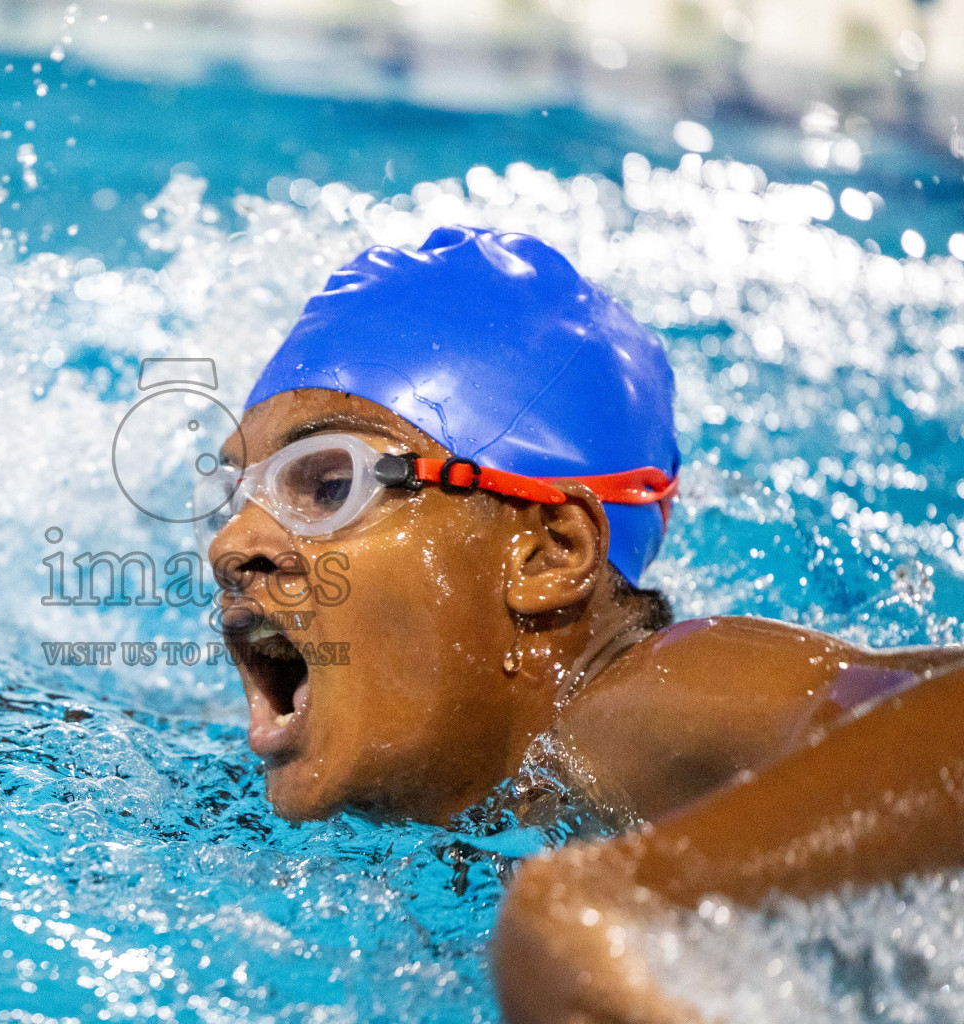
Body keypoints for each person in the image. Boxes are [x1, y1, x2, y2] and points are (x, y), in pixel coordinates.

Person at [197, 226, 964, 1022]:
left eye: (326, 485)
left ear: (549, 555)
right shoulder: (465, 785)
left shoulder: (642, 701)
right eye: (235, 498)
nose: (231, 544)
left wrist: (618, 900)